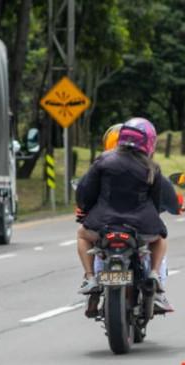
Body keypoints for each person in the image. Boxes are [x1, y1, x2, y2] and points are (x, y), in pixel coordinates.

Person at [75, 117, 174, 314]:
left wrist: (86, 208)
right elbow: (155, 203)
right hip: (141, 229)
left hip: (103, 226)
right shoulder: (151, 168)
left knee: (81, 235)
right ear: (149, 142)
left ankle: (90, 277)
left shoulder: (103, 161)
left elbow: (85, 192)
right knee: (160, 239)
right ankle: (154, 275)